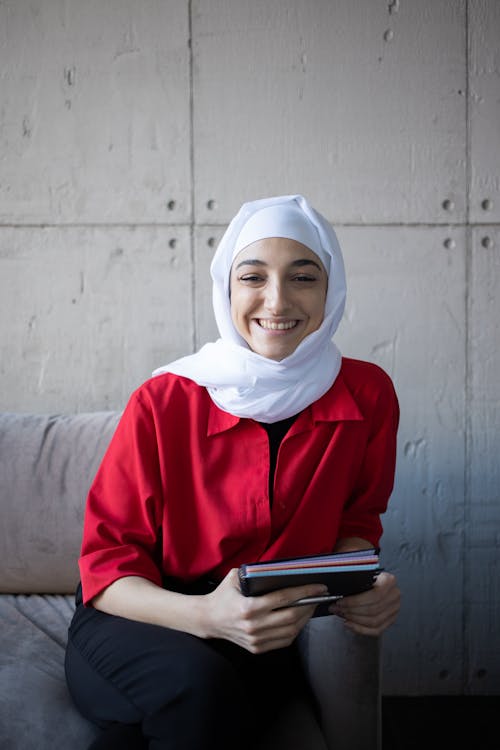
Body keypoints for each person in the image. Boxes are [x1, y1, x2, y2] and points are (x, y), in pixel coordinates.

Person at [65, 194, 401, 750]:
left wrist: (363, 584)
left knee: (196, 709)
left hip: (260, 632)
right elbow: (107, 566)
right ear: (227, 288)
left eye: (303, 277)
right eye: (253, 277)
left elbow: (358, 519)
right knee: (200, 690)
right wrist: (206, 616)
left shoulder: (367, 394)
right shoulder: (164, 400)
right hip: (137, 619)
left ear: (330, 290)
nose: (277, 299)